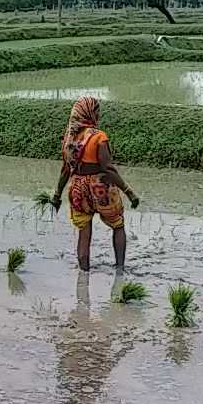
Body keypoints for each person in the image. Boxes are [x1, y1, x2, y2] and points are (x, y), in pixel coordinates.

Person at [51, 96, 140, 272]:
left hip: (77, 189)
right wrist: (129, 192)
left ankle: (84, 274)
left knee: (84, 232)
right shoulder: (99, 137)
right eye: (97, 111)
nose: (98, 114)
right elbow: (109, 169)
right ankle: (120, 270)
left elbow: (65, 170)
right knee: (118, 225)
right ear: (91, 113)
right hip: (100, 188)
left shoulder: (69, 138)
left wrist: (56, 195)